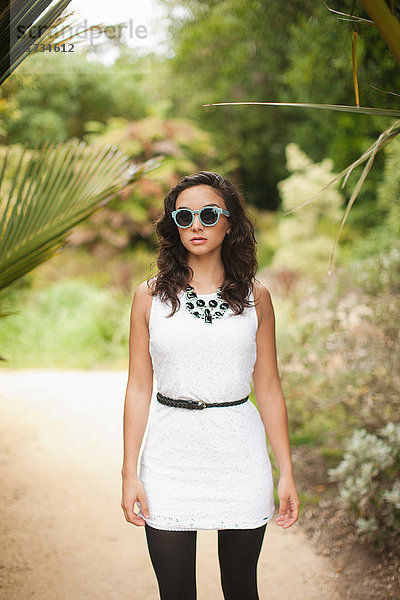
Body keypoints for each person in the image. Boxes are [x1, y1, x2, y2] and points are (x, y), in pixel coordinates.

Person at [121, 171, 300, 600]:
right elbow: (138, 388)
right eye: (184, 216)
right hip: (169, 456)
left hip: (240, 453)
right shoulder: (148, 297)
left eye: (207, 214)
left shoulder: (257, 298)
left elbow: (270, 387)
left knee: (241, 590)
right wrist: (129, 471)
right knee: (176, 592)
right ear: (174, 226)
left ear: (230, 223)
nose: (196, 225)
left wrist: (287, 471)